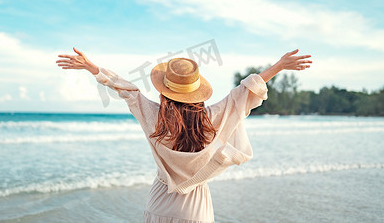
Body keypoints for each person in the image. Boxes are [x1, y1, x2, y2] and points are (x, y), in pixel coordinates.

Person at [56, 48, 312, 223]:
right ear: (197, 92)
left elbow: (127, 90)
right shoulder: (212, 119)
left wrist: (93, 68)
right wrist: (279, 66)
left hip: (159, 204)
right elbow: (243, 93)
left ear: (164, 91)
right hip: (196, 210)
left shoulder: (153, 117)